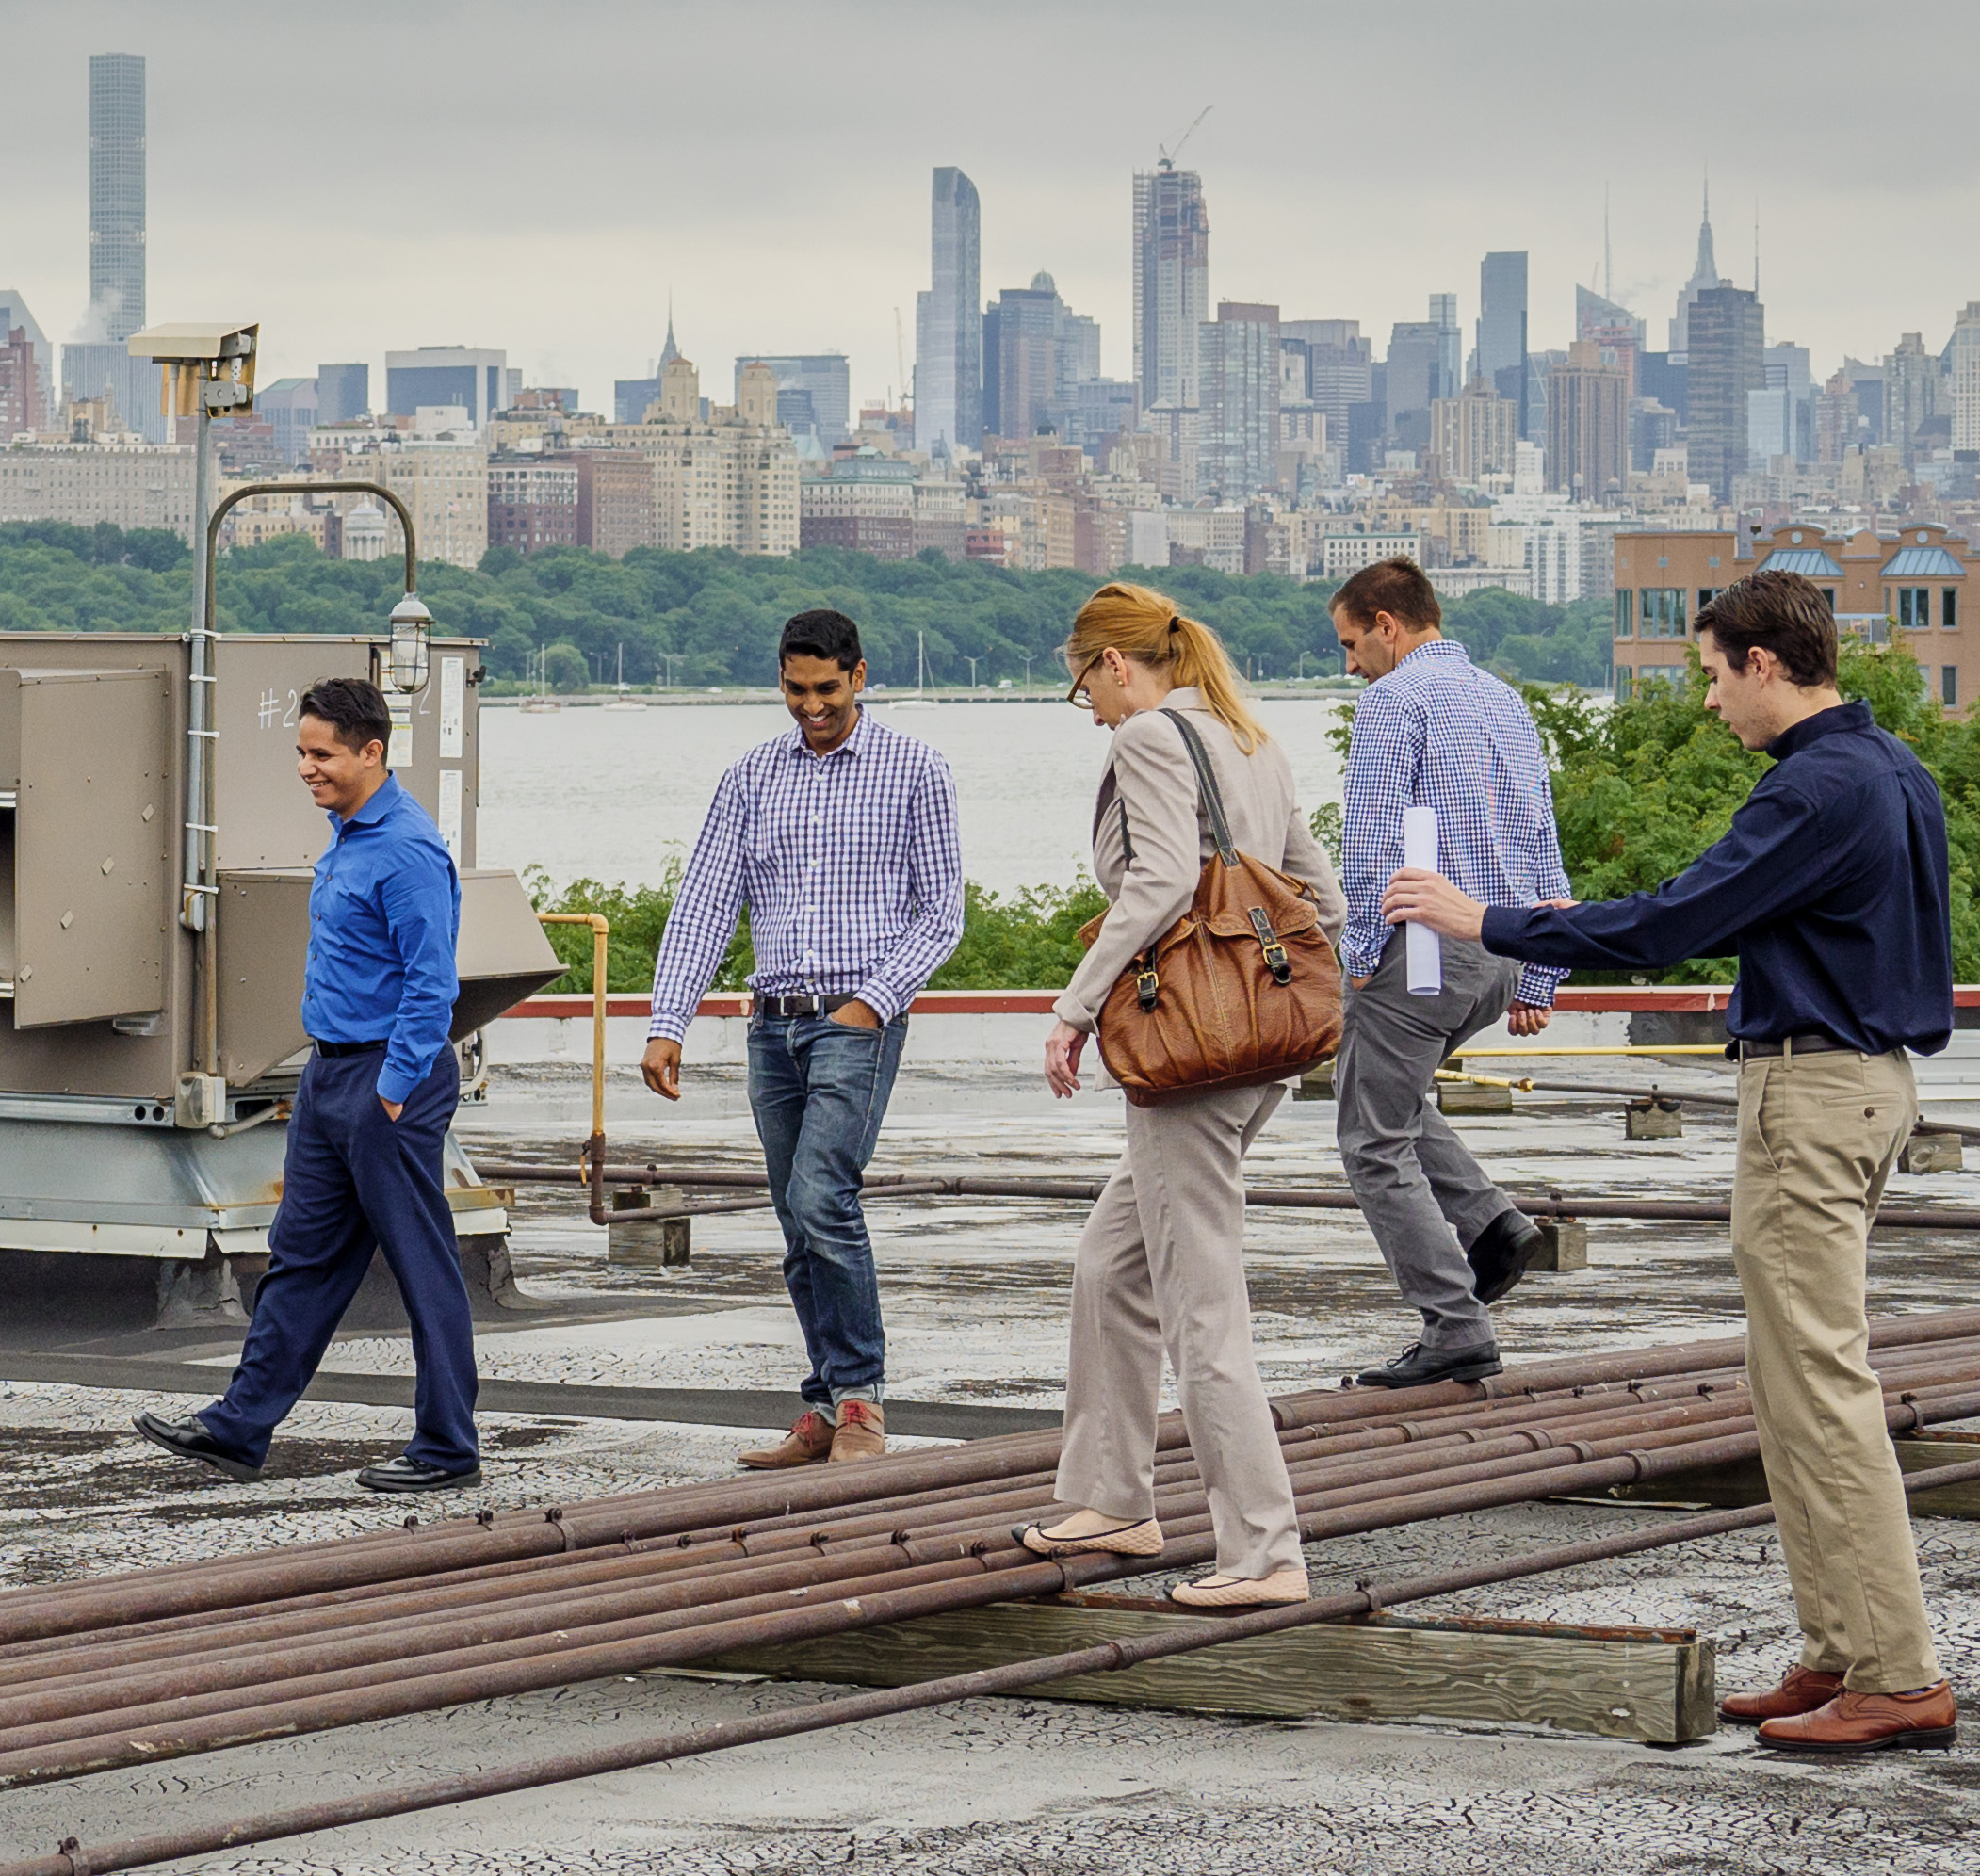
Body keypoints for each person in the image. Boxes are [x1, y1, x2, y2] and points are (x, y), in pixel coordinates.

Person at [1382, 567, 1963, 1758]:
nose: (1708, 700)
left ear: (1764, 663)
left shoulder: (1814, 790)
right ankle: (1840, 1651)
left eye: (1711, 675)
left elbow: (1672, 922)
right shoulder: (1893, 768)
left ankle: (1899, 1675)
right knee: (1791, 1385)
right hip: (1861, 1084)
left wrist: (1484, 921)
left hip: (1813, 1090)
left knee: (1821, 1387)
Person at [1018, 586, 1347, 1610]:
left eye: (1085, 686)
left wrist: (1074, 1009)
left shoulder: (1153, 737)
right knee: (1111, 1268)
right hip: (1256, 1054)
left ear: (1115, 664)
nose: (1091, 710)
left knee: (1202, 1308)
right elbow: (1324, 899)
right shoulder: (1251, 736)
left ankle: (1264, 1551)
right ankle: (1112, 1496)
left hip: (1187, 1055)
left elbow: (1157, 884)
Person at [131, 673, 480, 1494]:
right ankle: (238, 1428)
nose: (306, 768)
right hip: (331, 1074)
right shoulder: (349, 836)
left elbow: (433, 985)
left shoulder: (406, 849)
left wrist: (391, 1089)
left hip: (386, 1079)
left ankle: (448, 1449)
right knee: (301, 1260)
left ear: (372, 752)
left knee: (422, 1266)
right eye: (301, 751)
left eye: (322, 754)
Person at [638, 606, 966, 1466]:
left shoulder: (916, 769)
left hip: (856, 1019)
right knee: (796, 1219)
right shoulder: (751, 775)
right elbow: (706, 903)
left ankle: (860, 1401)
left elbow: (942, 914)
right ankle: (823, 1405)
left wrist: (872, 1003)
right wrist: (668, 1022)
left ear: (859, 677)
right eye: (794, 690)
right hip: (771, 1025)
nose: (811, 706)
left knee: (824, 1198)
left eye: (826, 689)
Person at [1324, 558, 1573, 1387]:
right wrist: (1540, 975)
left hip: (1425, 952)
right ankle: (1494, 1226)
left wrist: (1361, 957)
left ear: (1387, 625)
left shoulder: (1393, 702)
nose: (1350, 664)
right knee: (1382, 1097)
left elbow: (1371, 843)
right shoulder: (1504, 700)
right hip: (1502, 951)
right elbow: (1541, 841)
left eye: (1352, 643)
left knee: (1371, 1140)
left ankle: (1454, 1323)